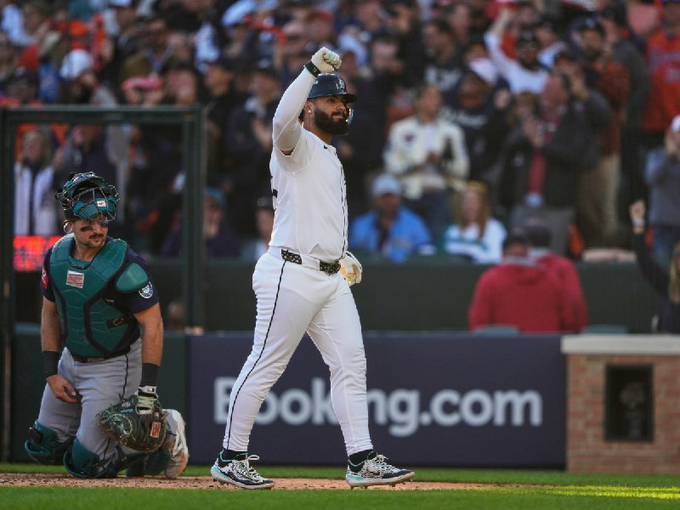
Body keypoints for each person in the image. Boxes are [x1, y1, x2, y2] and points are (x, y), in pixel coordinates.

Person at [210, 47, 414, 490]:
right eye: (332, 100)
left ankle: (360, 459)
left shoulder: (327, 153)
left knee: (350, 365)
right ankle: (231, 456)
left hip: (327, 276)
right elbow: (280, 121)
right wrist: (309, 71)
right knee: (266, 363)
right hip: (290, 272)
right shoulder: (296, 144)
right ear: (310, 106)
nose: (342, 107)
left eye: (344, 102)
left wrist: (341, 254)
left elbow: (315, 215)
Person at [24, 172, 189, 478]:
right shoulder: (55, 257)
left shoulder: (126, 263)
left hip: (114, 363)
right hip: (71, 359)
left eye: (103, 221)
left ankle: (164, 429)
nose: (98, 229)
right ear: (70, 223)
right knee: (43, 446)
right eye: (88, 223)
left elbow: (153, 325)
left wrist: (147, 391)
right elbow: (50, 314)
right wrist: (51, 371)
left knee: (86, 464)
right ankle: (134, 446)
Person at [383, 83, 469, 240]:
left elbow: (463, 169)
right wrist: (415, 165)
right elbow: (390, 165)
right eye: (430, 96)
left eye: (438, 97)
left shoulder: (452, 132)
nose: (436, 101)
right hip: (410, 193)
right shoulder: (401, 129)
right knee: (407, 240)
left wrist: (440, 162)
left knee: (437, 240)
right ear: (418, 101)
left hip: (441, 195)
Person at [468, 231, 578, 333]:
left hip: (503, 351)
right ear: (528, 253)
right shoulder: (551, 280)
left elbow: (479, 324)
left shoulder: (489, 280)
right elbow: (569, 321)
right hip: (547, 351)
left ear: (502, 253)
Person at [521, 216, 589, 332]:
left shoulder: (513, 268)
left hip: (517, 342)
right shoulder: (563, 266)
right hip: (556, 341)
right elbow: (576, 306)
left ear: (525, 243)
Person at [350, 173, 434, 263]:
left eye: (392, 196)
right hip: (368, 274)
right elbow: (351, 257)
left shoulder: (415, 223)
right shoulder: (360, 224)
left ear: (399, 197)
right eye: (384, 196)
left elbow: (426, 255)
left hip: (405, 274)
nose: (388, 201)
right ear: (374, 199)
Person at [630, 200, 680, 333]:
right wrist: (638, 223)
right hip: (667, 349)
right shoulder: (667, 285)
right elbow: (645, 261)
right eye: (678, 256)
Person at [160, 187, 240, 259]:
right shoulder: (180, 234)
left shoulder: (228, 240)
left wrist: (210, 239)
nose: (207, 212)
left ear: (221, 214)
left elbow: (224, 269)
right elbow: (165, 261)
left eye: (213, 208)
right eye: (203, 207)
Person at [643, 115, 680, 267]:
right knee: (663, 268)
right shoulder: (657, 155)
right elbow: (651, 177)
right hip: (664, 225)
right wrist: (668, 155)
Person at [440, 181, 506, 264]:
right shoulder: (451, 230)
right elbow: (441, 257)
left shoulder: (494, 228)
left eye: (473, 201)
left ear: (483, 204)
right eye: (465, 202)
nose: (469, 206)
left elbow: (496, 259)